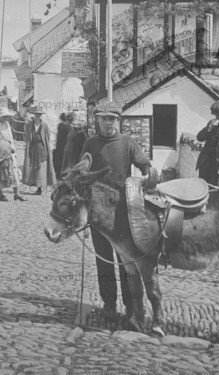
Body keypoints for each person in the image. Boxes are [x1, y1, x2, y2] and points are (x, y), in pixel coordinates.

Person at [80, 105, 154, 320]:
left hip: (123, 214)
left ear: (118, 121)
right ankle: (109, 304)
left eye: (112, 119)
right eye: (104, 119)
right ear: (98, 120)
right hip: (98, 214)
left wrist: (148, 174)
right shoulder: (90, 144)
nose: (108, 122)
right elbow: (82, 172)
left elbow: (144, 164)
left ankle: (131, 306)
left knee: (126, 261)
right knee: (103, 260)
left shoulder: (127, 143)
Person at [0, 107, 26, 202]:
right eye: (5, 116)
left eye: (7, 116)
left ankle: (17, 194)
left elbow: (10, 138)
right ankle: (0, 194)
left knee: (13, 171)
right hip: (1, 154)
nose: (6, 118)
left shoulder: (7, 125)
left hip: (10, 152)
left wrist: (12, 147)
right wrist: (1, 145)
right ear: (0, 117)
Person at [21, 105, 57, 195]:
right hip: (33, 148)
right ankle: (36, 185)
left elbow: (47, 137)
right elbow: (26, 135)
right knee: (33, 168)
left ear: (41, 115)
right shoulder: (30, 125)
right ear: (34, 114)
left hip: (42, 148)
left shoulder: (44, 125)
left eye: (39, 114)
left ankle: (40, 188)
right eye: (36, 114)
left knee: (41, 169)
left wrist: (44, 145)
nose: (38, 116)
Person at [60, 110, 92, 178]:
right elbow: (81, 142)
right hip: (71, 150)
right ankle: (68, 175)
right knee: (70, 163)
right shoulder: (76, 133)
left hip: (68, 149)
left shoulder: (72, 132)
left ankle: (65, 174)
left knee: (68, 163)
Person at [54, 112, 75, 178]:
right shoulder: (69, 126)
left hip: (60, 145)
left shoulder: (61, 125)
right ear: (71, 119)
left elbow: (58, 137)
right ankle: (63, 173)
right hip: (65, 146)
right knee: (65, 160)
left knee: (60, 159)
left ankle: (59, 172)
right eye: (73, 119)